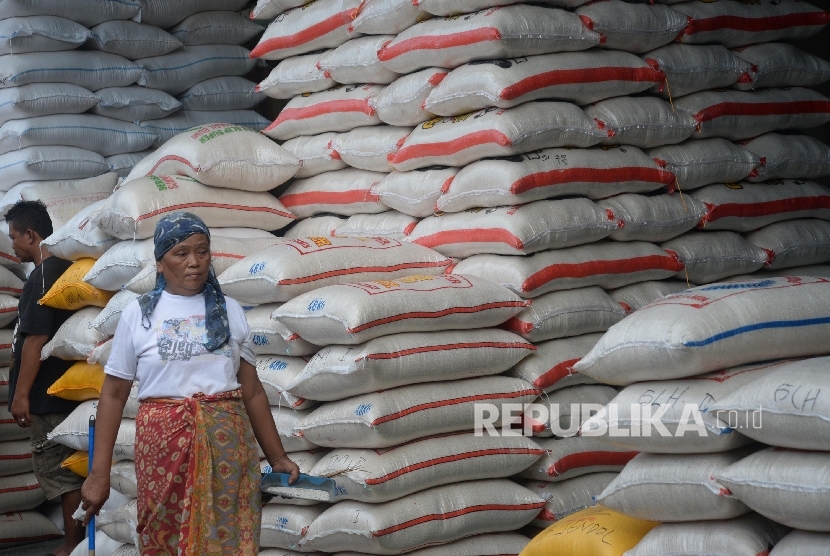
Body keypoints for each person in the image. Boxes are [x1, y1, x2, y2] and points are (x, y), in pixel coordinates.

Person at [81, 212, 300, 555]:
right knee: (164, 534)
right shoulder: (138, 315)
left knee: (230, 535)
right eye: (181, 253)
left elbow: (253, 390)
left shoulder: (229, 311)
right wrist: (98, 474)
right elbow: (112, 394)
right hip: (164, 448)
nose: (194, 262)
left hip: (227, 445)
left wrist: (278, 457)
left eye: (202, 251)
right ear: (159, 262)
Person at [5, 200, 86, 556]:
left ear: (30, 234)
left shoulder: (42, 276)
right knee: (68, 471)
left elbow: (35, 339)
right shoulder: (59, 271)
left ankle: (72, 544)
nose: (11, 246)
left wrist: (21, 396)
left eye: (14, 238)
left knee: (60, 473)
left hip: (46, 396)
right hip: (60, 392)